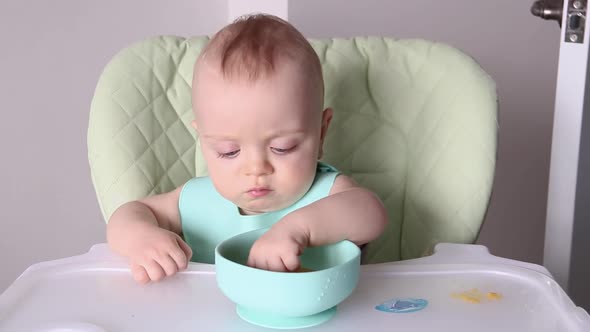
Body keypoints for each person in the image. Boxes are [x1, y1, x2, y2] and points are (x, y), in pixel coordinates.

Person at [107, 14, 388, 284]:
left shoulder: (328, 193)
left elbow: (371, 213)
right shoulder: (197, 201)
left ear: (322, 133)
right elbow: (131, 212)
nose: (256, 169)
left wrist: (299, 229)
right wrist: (140, 238)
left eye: (282, 147)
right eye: (229, 151)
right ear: (203, 140)